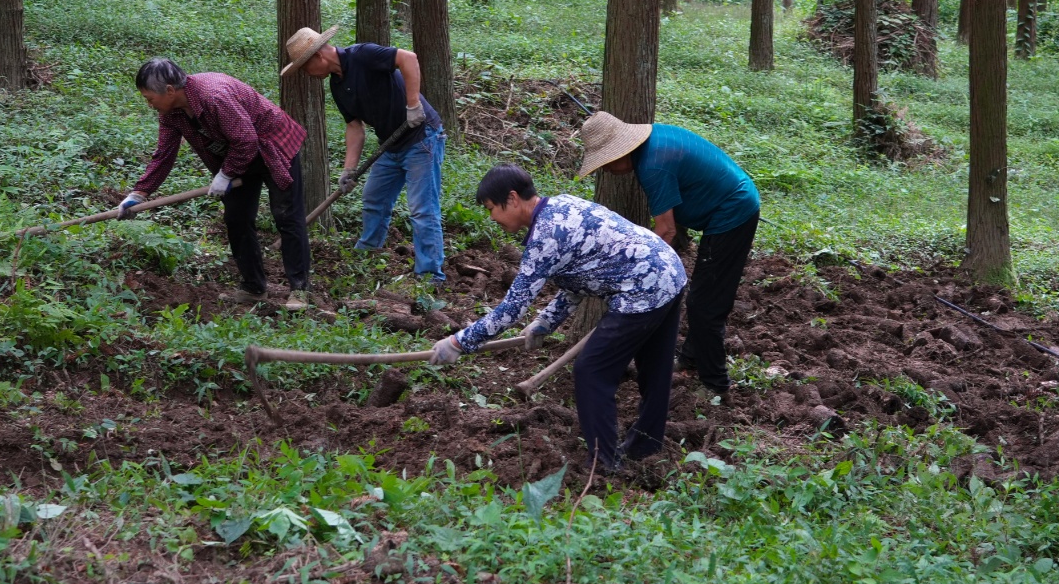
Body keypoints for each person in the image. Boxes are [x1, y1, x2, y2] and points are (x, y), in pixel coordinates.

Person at [430, 165, 688, 473]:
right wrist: (545, 323)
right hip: (669, 272)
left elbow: (511, 310)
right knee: (654, 366)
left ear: (512, 199)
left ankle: (604, 463)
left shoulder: (545, 237)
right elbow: (577, 276)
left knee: (592, 370)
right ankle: (646, 447)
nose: (492, 219)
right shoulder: (560, 207)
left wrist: (459, 342)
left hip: (643, 289)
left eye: (491, 209)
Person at [576, 111, 760, 397]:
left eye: (607, 162)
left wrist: (639, 272)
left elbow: (666, 231)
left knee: (705, 304)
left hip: (733, 212)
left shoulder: (652, 166)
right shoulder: (654, 141)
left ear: (621, 150)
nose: (607, 170)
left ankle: (715, 383)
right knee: (701, 296)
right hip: (726, 203)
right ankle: (690, 358)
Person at [119, 57, 312, 309]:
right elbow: (165, 153)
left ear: (169, 90)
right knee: (236, 219)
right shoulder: (171, 112)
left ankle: (299, 290)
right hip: (236, 155)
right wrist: (140, 192)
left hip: (271, 145)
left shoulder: (214, 97)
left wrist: (225, 174)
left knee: (286, 216)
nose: (149, 104)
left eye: (149, 98)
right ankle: (254, 287)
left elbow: (246, 140)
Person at [284, 25, 446, 281]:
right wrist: (349, 169)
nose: (307, 73)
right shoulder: (337, 86)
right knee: (373, 199)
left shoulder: (363, 54)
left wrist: (413, 104)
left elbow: (408, 58)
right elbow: (354, 127)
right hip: (390, 146)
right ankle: (368, 254)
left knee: (422, 210)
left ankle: (429, 275)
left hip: (421, 139)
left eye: (305, 67)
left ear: (319, 57)